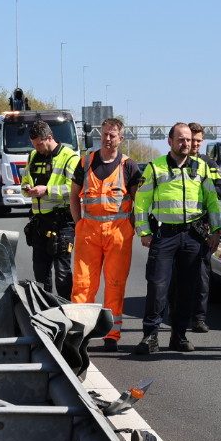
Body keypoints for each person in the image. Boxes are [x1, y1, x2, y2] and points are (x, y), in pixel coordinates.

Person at [133, 123, 221, 355]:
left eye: (188, 139)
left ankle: (179, 335)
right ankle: (150, 336)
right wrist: (144, 231)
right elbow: (141, 202)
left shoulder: (201, 167)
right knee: (157, 286)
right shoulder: (155, 167)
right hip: (164, 235)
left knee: (186, 289)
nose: (185, 144)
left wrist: (216, 230)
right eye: (180, 139)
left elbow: (212, 201)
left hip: (192, 235)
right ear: (170, 141)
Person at [69, 117, 141, 351]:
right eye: (105, 134)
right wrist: (79, 222)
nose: (108, 138)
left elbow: (137, 200)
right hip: (88, 232)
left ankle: (112, 335)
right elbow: (74, 196)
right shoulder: (86, 162)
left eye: (112, 135)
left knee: (115, 283)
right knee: (83, 284)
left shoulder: (129, 166)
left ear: (121, 138)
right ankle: (79, 333)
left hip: (118, 233)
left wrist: (131, 227)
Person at [20, 119, 80, 298]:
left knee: (62, 275)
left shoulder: (70, 157)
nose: (37, 148)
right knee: (40, 274)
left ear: (49, 137)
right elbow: (24, 182)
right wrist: (26, 190)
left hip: (62, 223)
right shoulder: (32, 156)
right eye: (34, 144)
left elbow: (75, 189)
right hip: (39, 223)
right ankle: (46, 313)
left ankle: (66, 312)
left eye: (39, 144)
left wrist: (47, 191)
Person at [185, 123, 219, 333]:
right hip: (175, 228)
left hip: (201, 228)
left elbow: (220, 191)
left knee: (202, 275)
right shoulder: (173, 163)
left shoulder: (209, 163)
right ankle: (177, 313)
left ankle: (199, 317)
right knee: (176, 276)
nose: (195, 144)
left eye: (199, 141)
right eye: (193, 140)